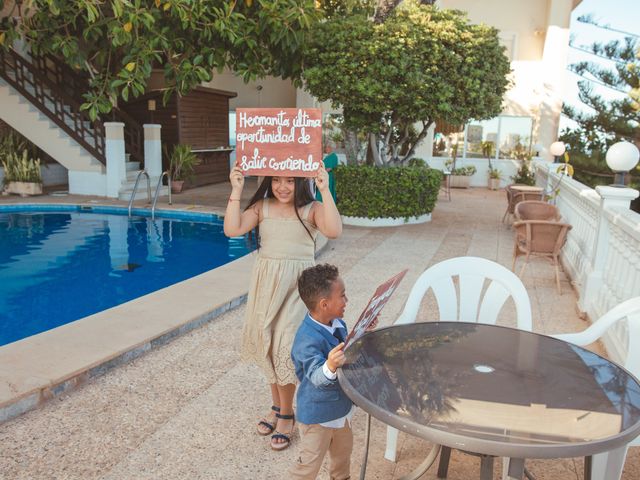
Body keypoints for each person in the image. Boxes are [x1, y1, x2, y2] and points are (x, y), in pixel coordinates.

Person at [223, 166, 342, 451]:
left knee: (285, 346)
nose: (283, 186)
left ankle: (287, 414)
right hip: (266, 286)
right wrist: (236, 189)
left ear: (300, 182)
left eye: (290, 180)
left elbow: (334, 230)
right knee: (267, 341)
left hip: (297, 289)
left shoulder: (310, 209)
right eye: (276, 180)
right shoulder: (262, 207)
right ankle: (277, 407)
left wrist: (324, 189)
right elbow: (232, 229)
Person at [289, 263, 376, 480]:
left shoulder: (337, 323)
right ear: (324, 304)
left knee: (342, 458)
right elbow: (317, 377)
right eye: (343, 296)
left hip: (341, 412)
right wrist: (329, 366)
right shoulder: (306, 340)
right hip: (317, 418)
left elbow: (346, 349)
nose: (347, 301)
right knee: (308, 466)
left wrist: (364, 331)